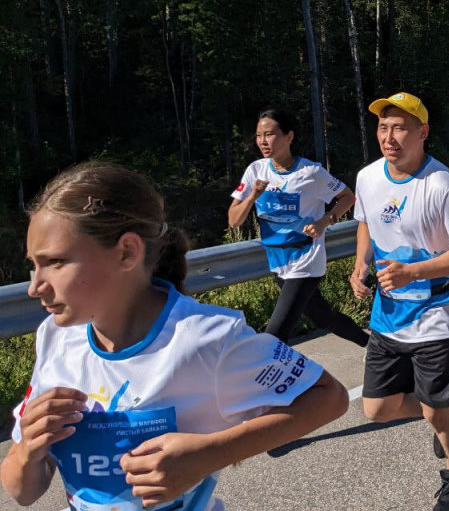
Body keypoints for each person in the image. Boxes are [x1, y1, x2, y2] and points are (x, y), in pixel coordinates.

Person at [2, 162, 347, 511]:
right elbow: (23, 491)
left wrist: (209, 455)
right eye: (34, 264)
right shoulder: (56, 336)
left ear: (127, 252)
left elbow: (328, 397)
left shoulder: (205, 338)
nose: (35, 286)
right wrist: (29, 448)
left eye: (56, 262)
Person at [349, 92, 449, 511]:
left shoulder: (444, 185)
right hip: (390, 311)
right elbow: (367, 222)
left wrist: (414, 272)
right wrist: (360, 263)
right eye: (383, 127)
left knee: (436, 411)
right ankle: (445, 404)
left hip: (438, 313)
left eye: (400, 128)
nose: (390, 137)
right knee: (377, 409)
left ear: (422, 132)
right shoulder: (368, 177)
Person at [228, 108, 368, 348]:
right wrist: (252, 196)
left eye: (270, 134)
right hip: (278, 260)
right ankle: (377, 348)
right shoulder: (255, 171)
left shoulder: (311, 172)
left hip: (306, 260)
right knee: (324, 317)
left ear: (289, 136)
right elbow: (234, 220)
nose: (263, 141)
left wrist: (325, 220)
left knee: (275, 334)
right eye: (259, 135)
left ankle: (273, 383)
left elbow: (347, 196)